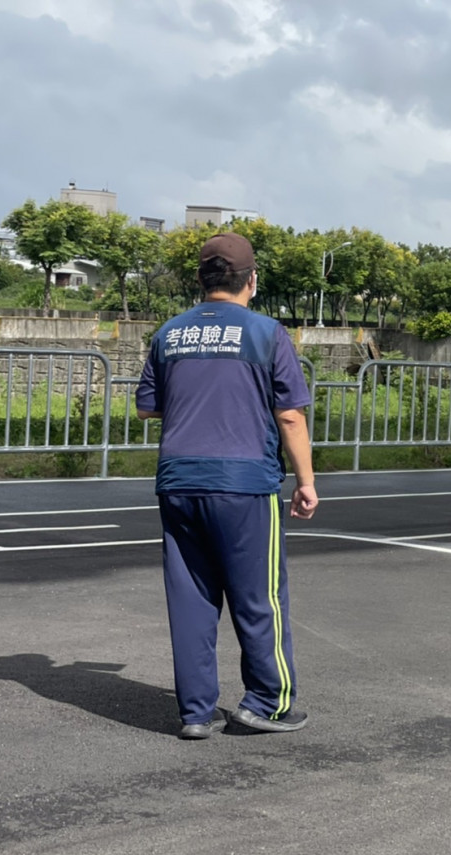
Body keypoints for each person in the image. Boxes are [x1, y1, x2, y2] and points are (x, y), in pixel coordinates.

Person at [136, 233, 318, 740]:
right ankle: (267, 703)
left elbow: (148, 405)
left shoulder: (169, 334)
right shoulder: (266, 333)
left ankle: (195, 713)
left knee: (191, 597)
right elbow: (289, 416)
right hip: (243, 482)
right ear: (252, 281)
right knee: (259, 595)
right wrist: (305, 481)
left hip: (178, 479)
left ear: (200, 279)